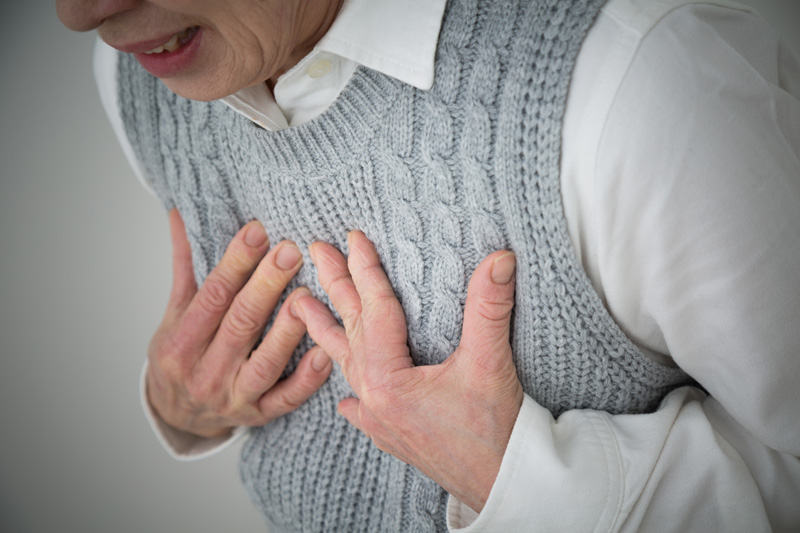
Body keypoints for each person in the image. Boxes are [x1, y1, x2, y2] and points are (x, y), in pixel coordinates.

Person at [57, 0, 800, 531]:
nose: (78, 13)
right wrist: (180, 409)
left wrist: (520, 479)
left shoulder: (640, 87)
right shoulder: (139, 74)